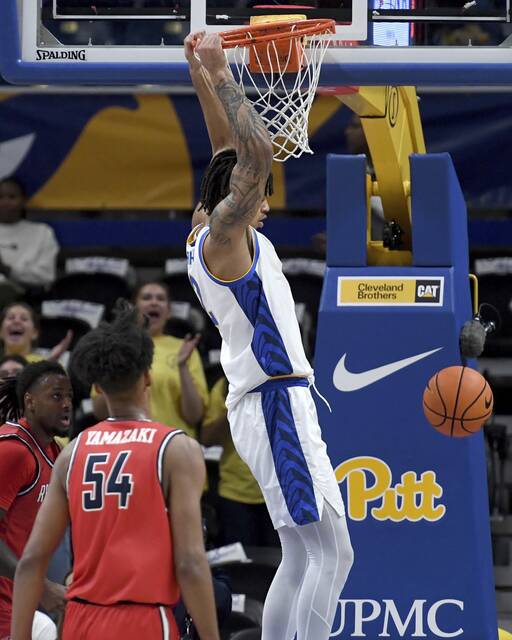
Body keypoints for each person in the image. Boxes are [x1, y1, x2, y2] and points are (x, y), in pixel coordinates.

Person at [186, 32, 354, 640]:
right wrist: (225, 76)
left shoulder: (206, 223)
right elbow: (251, 155)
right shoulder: (225, 236)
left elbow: (225, 150)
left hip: (271, 402)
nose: (265, 207)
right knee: (334, 554)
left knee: (302, 552)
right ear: (242, 196)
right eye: (260, 199)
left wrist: (202, 74)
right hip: (275, 403)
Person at [11, 304, 220, 640]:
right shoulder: (177, 450)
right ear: (148, 376)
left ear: (98, 388)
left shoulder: (72, 451)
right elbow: (190, 563)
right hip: (143, 619)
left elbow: (33, 559)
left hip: (80, 619)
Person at [0, 360, 72, 640]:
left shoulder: (54, 452)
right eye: (56, 396)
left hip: (15, 600)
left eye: (69, 397)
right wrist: (39, 586)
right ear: (30, 402)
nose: (66, 404)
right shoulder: (13, 451)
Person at [92, 281, 208, 438]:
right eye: (147, 298)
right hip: (127, 442)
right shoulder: (116, 346)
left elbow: (194, 416)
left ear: (168, 312)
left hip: (173, 444)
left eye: (160, 299)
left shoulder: (185, 349)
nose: (154, 302)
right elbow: (100, 411)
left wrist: (182, 366)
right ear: (133, 308)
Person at [201, 375, 278, 547]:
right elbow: (207, 438)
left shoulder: (283, 379)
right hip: (234, 494)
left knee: (281, 566)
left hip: (277, 494)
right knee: (239, 570)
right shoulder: (223, 386)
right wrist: (235, 404)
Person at [0, 178, 59, 307]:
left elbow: (46, 276)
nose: (5, 202)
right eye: (1, 197)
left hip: (28, 302)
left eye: (11, 197)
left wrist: (7, 270)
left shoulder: (42, 232)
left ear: (24, 200)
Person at [0, 303, 72, 364]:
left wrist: (50, 364)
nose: (16, 321)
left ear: (35, 333)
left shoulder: (50, 362)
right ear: (1, 332)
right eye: (11, 318)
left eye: (24, 319)